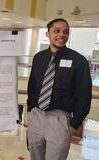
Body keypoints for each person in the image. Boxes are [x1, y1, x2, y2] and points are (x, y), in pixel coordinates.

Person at [27, 18, 92, 160]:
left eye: (65, 32)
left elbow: (84, 94)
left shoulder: (79, 61)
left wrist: (75, 123)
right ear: (48, 34)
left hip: (60, 119)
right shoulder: (39, 58)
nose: (61, 35)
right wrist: (31, 109)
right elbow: (32, 85)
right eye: (56, 31)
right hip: (37, 116)